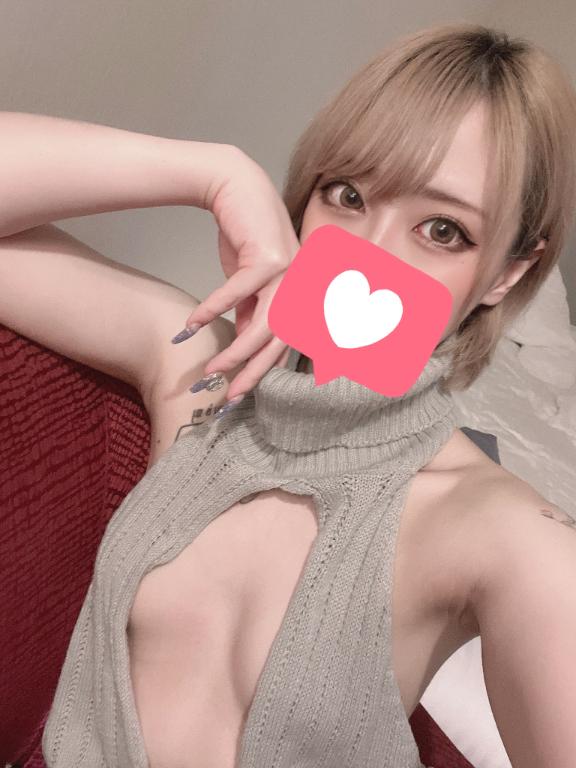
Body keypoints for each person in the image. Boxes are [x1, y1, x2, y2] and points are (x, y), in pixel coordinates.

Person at [1, 21, 575, 768]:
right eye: (347, 194)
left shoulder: (504, 535)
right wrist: (214, 173)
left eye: (442, 230)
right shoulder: (199, 373)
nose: (366, 254)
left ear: (506, 274)